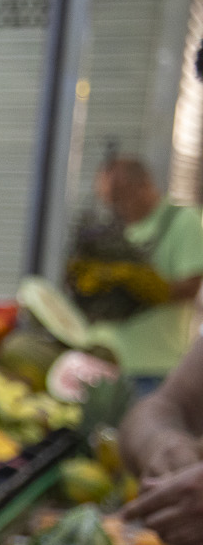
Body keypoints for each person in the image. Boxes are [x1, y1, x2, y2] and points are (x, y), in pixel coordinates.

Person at [91, 157, 203, 400]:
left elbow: (192, 286)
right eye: (109, 200)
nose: (115, 207)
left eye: (121, 197)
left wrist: (147, 287)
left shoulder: (184, 222)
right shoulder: (113, 228)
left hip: (154, 368)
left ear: (144, 186)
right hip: (105, 361)